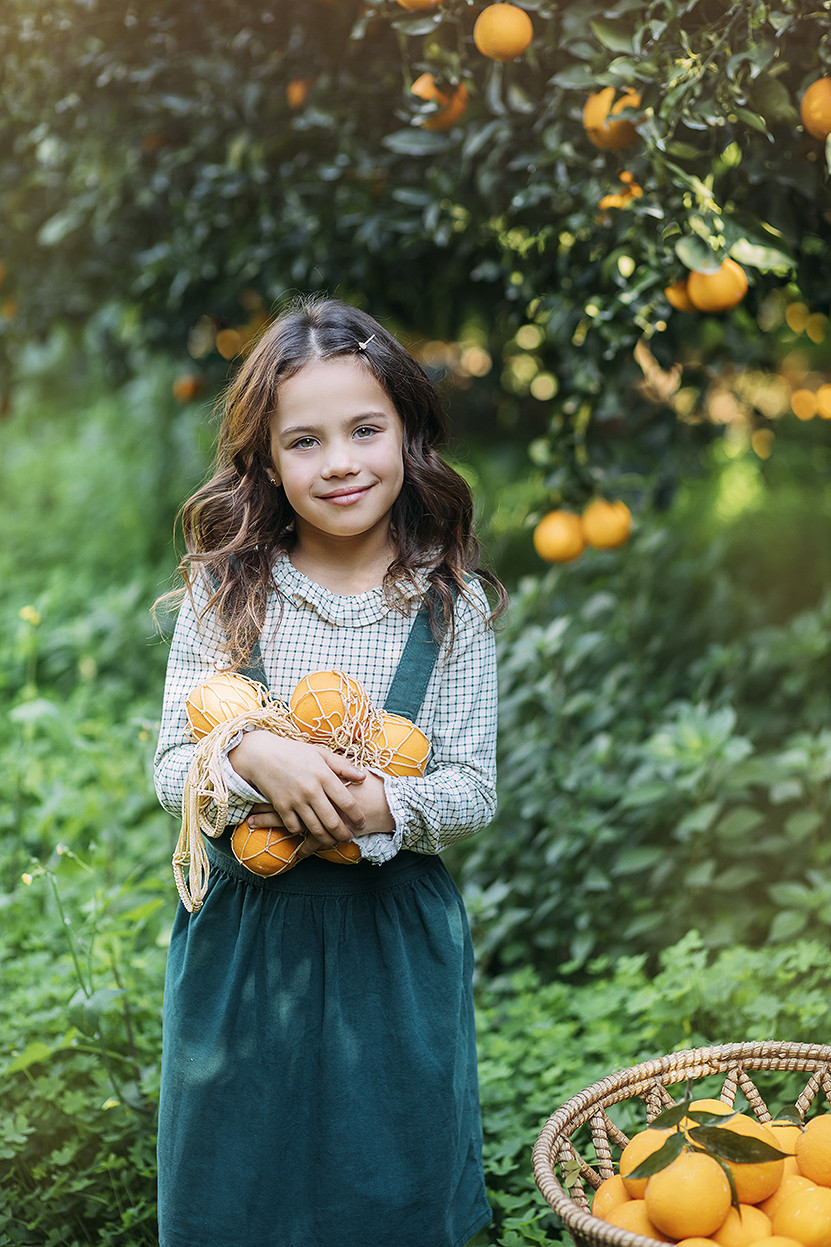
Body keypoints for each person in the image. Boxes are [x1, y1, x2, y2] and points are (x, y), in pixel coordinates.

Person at [153, 295, 507, 1247]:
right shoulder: (228, 586)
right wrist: (251, 751)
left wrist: (377, 800)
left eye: (364, 430)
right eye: (304, 441)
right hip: (245, 936)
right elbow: (170, 763)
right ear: (266, 459)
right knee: (233, 1188)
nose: (340, 462)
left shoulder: (449, 605)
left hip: (388, 940)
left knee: (387, 1180)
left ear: (408, 432)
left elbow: (471, 784)